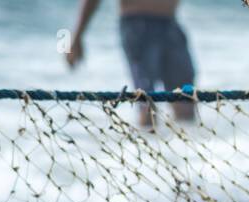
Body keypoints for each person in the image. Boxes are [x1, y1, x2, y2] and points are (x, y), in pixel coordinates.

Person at [65, 0, 197, 126]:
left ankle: (182, 147)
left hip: (170, 23)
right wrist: (77, 37)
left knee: (185, 102)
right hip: (137, 25)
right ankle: (146, 146)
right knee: (146, 101)